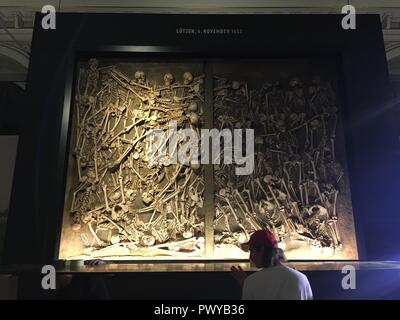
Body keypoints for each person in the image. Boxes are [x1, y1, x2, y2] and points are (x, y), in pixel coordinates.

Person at [231, 229, 313, 300]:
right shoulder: (301, 278)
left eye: (252, 251)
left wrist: (247, 284)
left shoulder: (252, 281)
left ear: (262, 250)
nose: (250, 257)